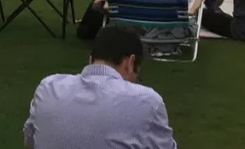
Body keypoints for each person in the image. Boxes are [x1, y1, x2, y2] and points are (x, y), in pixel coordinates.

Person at [23, 26, 177, 149]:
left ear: (91, 59)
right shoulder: (147, 101)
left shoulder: (48, 87)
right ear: (130, 63)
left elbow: (30, 140)